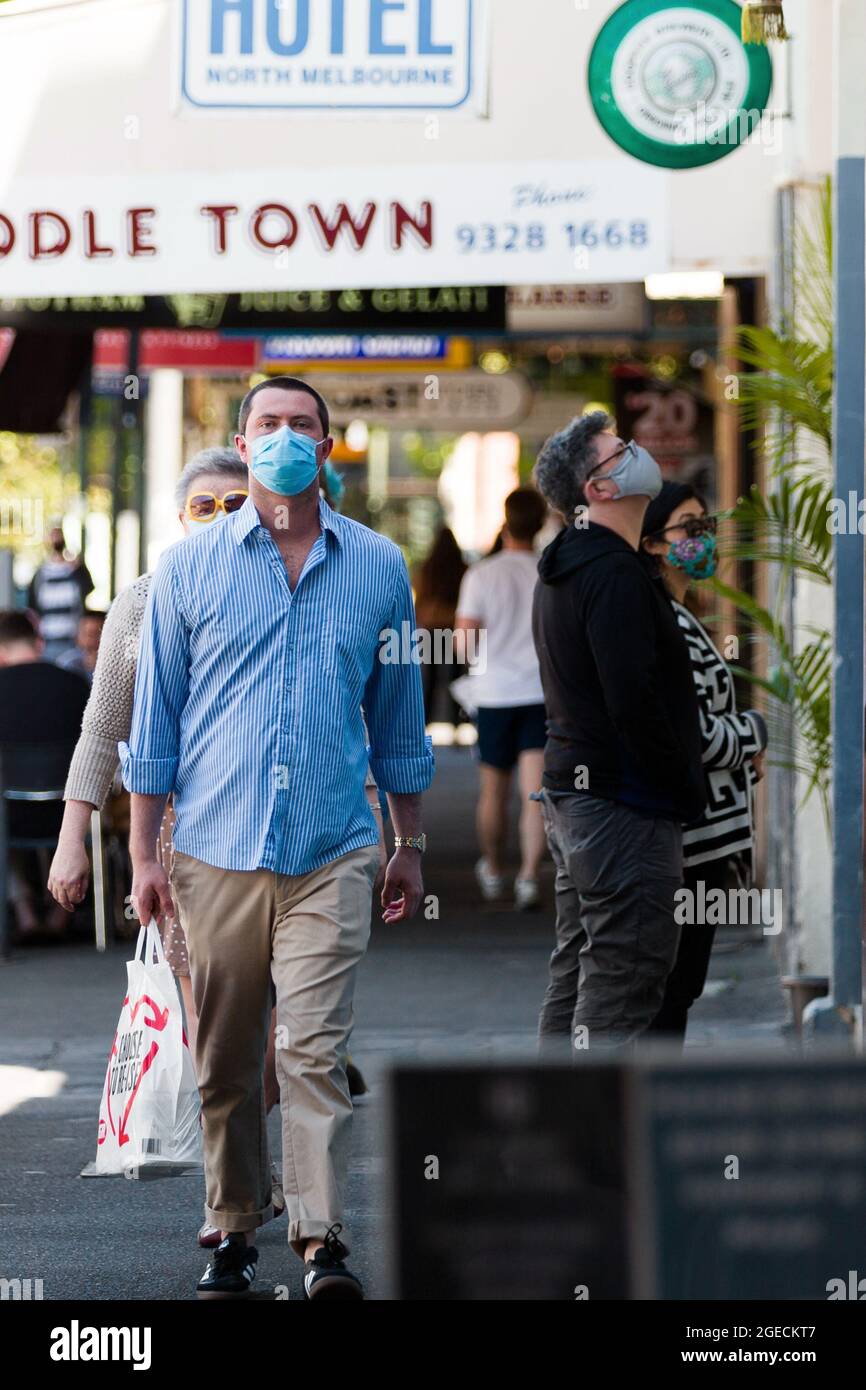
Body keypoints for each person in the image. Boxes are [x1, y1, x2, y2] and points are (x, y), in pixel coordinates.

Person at [124, 376, 433, 1301]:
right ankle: (230, 1224)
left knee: (309, 1047)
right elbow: (155, 724)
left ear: (327, 447)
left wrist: (406, 841)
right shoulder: (186, 569)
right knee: (224, 1059)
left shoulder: (379, 566)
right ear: (244, 440)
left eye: (303, 425)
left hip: (333, 848)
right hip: (212, 850)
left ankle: (321, 1237)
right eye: (270, 425)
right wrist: (142, 856)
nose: (286, 438)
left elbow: (401, 719)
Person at [532, 413, 706, 1050]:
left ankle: (557, 1130)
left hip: (584, 800)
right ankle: (592, 1140)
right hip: (622, 806)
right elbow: (631, 699)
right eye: (621, 451)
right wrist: (679, 787)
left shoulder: (579, 565)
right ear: (599, 489)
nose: (639, 454)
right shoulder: (609, 574)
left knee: (581, 964)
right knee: (626, 972)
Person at [640, 482, 768, 1040]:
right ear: (652, 544)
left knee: (680, 985)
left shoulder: (681, 617)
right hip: (695, 841)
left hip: (704, 837)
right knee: (675, 985)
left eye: (706, 526)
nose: (703, 539)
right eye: (689, 528)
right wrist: (754, 733)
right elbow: (691, 736)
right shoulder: (669, 623)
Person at [454, 488, 548, 910]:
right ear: (542, 522)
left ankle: (493, 868)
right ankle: (528, 877)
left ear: (505, 520)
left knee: (492, 791)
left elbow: (463, 643)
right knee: (536, 794)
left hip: (493, 695)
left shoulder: (481, 575)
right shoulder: (550, 573)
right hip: (540, 694)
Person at [0, 610, 90, 937]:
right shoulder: (76, 685)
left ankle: (23, 911)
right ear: (37, 643)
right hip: (72, 813)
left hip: (9, 813)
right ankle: (59, 914)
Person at [413, 526, 467, 728]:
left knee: (431, 678)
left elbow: (419, 602)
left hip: (431, 630)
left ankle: (425, 722)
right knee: (455, 676)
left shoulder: (427, 569)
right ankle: (457, 722)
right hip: (454, 629)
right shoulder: (462, 569)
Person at [27, 525, 94, 663]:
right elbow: (33, 605)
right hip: (48, 640)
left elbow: (88, 588)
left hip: (72, 639)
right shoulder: (41, 574)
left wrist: (78, 569)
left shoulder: (73, 569)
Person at [56, 610, 107, 682]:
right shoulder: (67, 664)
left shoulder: (115, 665)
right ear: (77, 637)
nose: (90, 642)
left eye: (96, 635)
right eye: (85, 634)